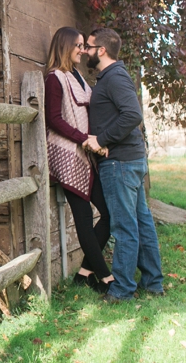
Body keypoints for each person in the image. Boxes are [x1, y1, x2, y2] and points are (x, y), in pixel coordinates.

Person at [83, 27, 164, 302]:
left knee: (125, 227)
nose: (84, 51)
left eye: (89, 47)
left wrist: (101, 139)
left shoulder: (114, 77)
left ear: (101, 51)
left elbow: (133, 115)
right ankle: (153, 283)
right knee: (141, 223)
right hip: (130, 160)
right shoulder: (112, 76)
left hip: (119, 163)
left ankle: (122, 291)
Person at [44, 27, 114, 293]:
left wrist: (94, 140)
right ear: (65, 46)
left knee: (108, 213)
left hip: (86, 154)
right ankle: (106, 278)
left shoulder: (80, 78)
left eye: (85, 46)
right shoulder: (54, 78)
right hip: (67, 154)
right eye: (79, 45)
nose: (83, 51)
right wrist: (82, 138)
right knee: (84, 217)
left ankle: (84, 273)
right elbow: (53, 119)